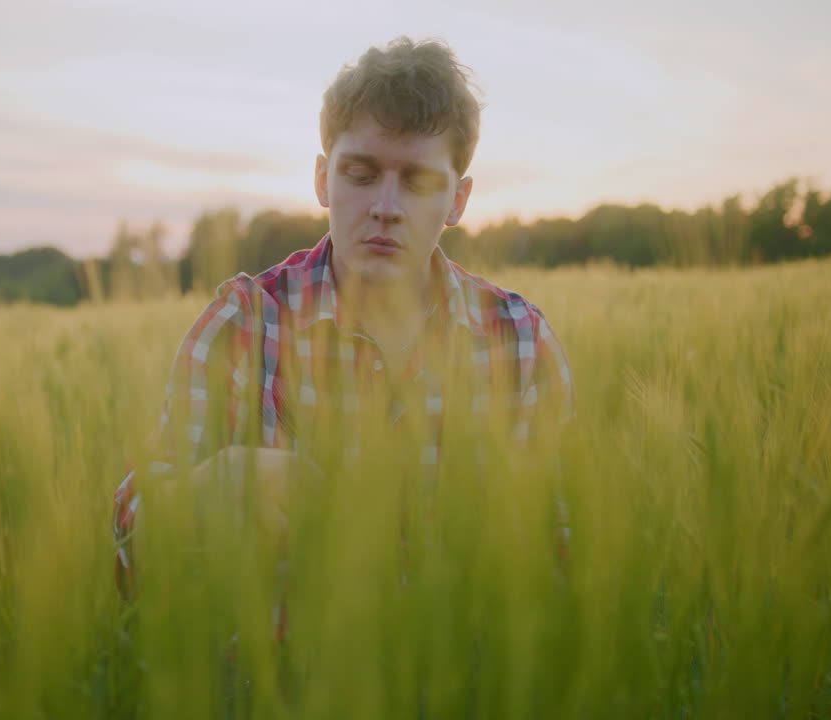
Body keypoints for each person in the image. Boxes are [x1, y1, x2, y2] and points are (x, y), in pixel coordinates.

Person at [112, 36, 574, 601]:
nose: (386, 205)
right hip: (277, 684)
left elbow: (561, 560)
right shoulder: (245, 324)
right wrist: (205, 492)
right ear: (321, 180)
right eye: (360, 174)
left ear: (458, 200)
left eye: (419, 181)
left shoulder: (520, 342)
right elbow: (129, 538)